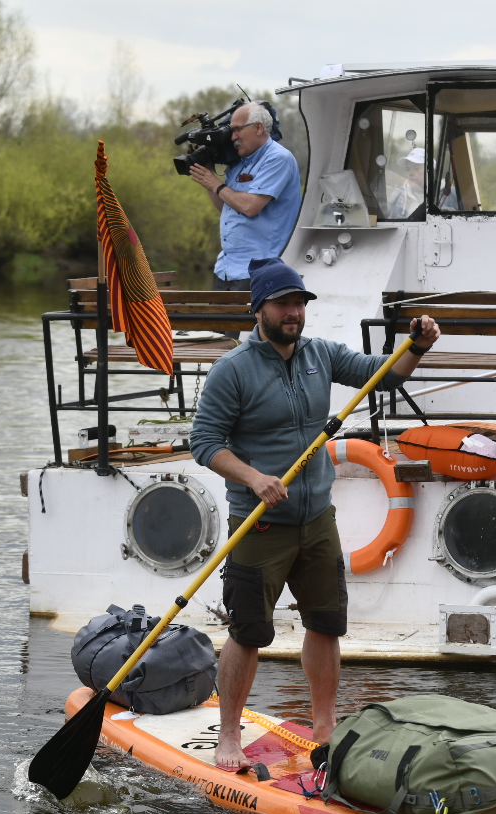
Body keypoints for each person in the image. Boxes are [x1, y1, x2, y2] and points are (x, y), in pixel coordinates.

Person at [189, 259, 440, 770]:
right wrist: (254, 477)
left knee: (326, 624)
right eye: (283, 303)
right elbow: (204, 443)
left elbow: (384, 376)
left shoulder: (320, 355)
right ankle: (230, 736)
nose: (294, 312)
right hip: (259, 522)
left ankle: (324, 726)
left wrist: (417, 345)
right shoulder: (232, 370)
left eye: (300, 303)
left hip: (317, 519)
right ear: (259, 308)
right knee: (248, 632)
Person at [188, 103, 303, 290]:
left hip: (259, 269)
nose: (233, 137)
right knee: (216, 319)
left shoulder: (279, 158)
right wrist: (207, 176)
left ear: (258, 127)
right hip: (225, 269)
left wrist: (215, 183)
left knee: (250, 321)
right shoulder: (238, 162)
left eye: (237, 130)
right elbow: (228, 206)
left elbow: (250, 207)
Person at [386, 147, 426, 219]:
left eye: (416, 168)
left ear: (431, 171)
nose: (410, 173)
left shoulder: (446, 195)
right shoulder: (397, 196)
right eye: (408, 169)